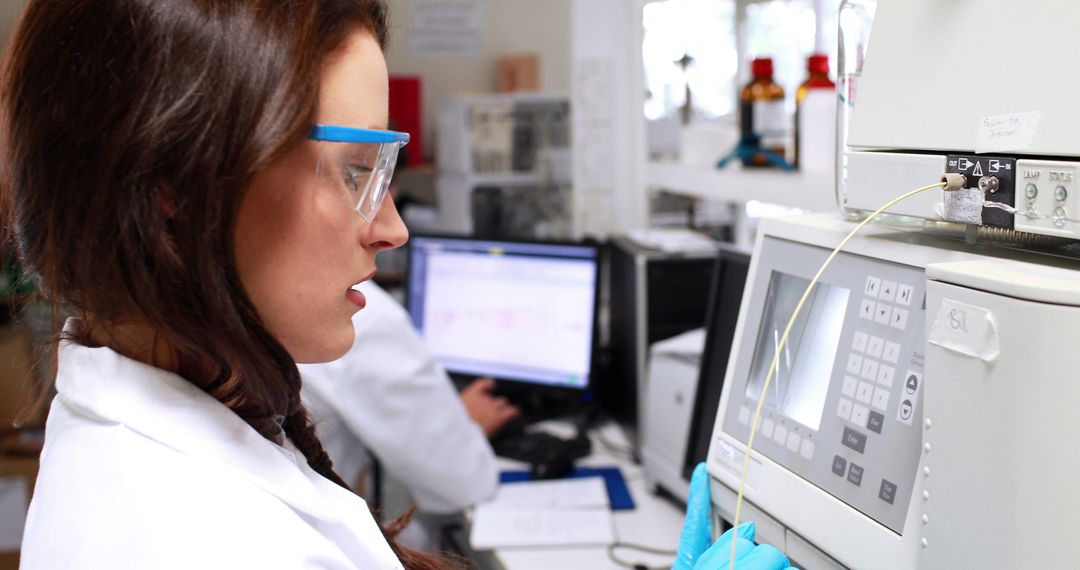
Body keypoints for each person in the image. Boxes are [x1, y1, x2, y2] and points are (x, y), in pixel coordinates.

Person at [2, 0, 451, 567]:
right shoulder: (216, 542)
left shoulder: (148, 412)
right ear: (174, 184)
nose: (393, 229)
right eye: (355, 169)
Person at [299, 280, 519, 518]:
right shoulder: (356, 313)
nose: (398, 240)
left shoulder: (268, 300)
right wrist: (467, 425)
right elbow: (459, 483)